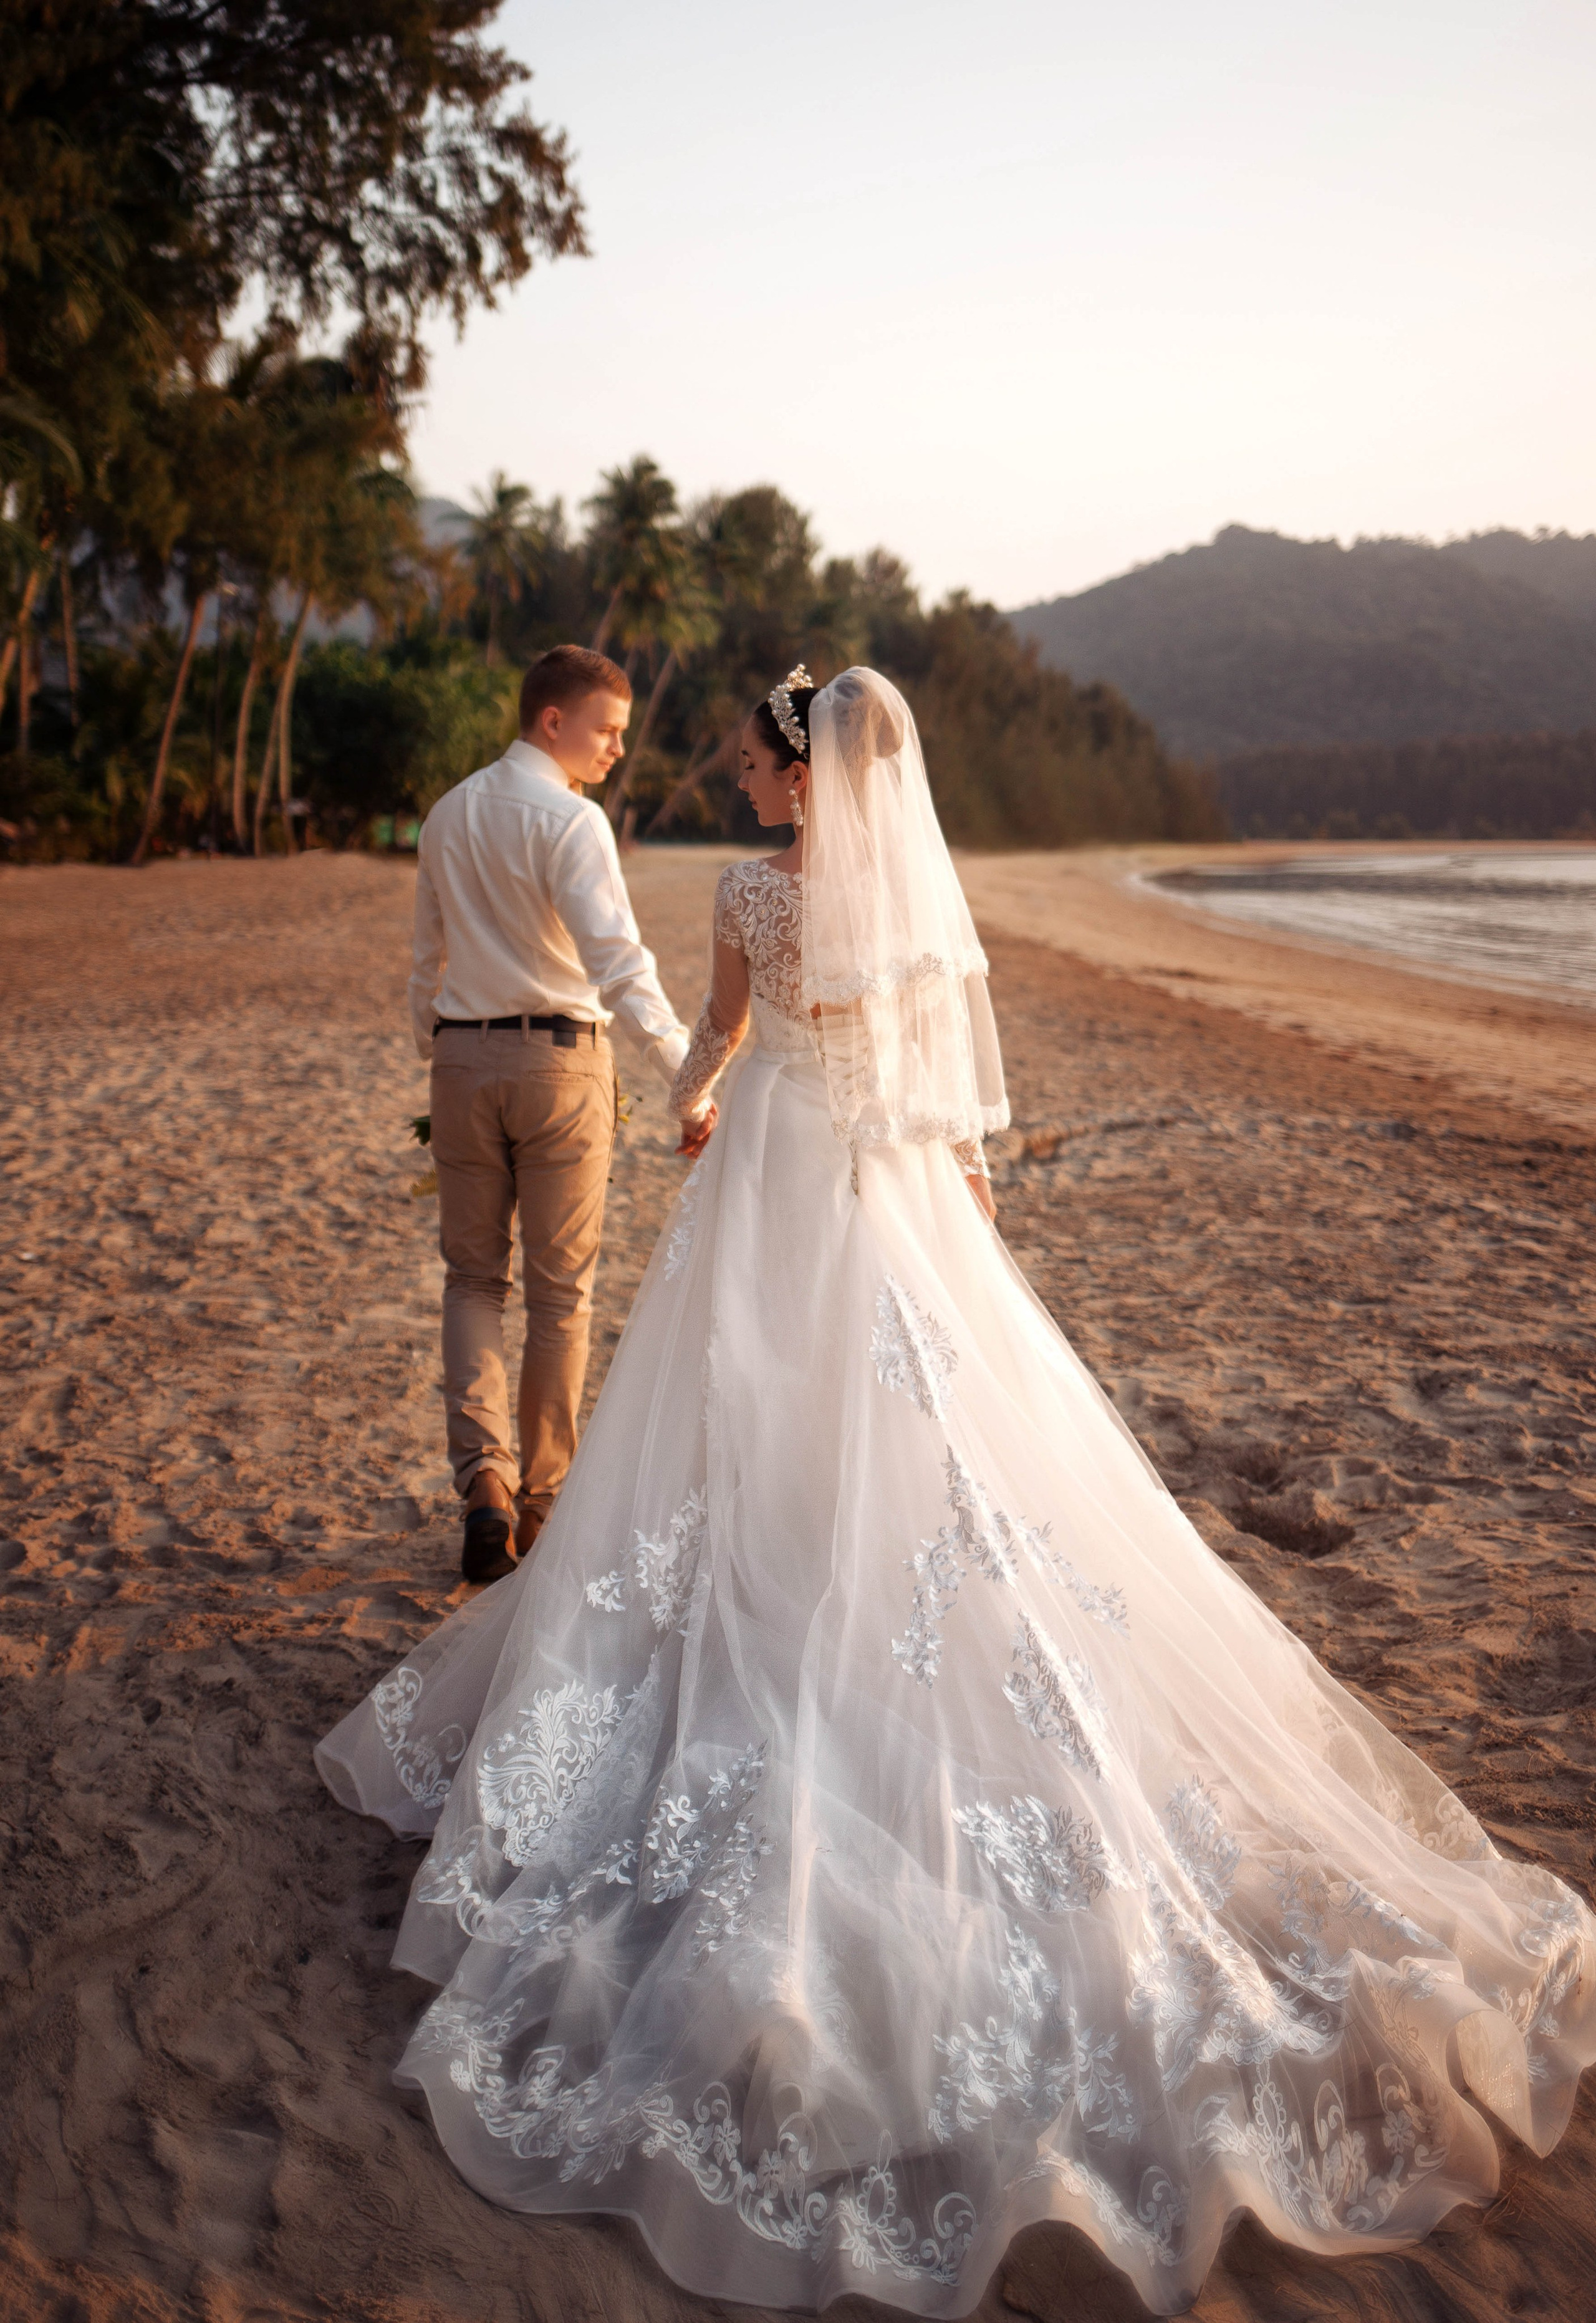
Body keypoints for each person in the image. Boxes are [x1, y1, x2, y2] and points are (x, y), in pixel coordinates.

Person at [322, 666, 1595, 2317]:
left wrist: (695, 1099)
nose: (740, 775)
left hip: (778, 1162)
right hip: (890, 1176)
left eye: (753, 758)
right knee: (906, 1425)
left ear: (799, 772)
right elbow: (933, 1065)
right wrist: (961, 1190)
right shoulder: (904, 898)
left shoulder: (754, 892)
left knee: (748, 1401)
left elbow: (721, 1032)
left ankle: (763, 1590)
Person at [408, 643, 711, 1584]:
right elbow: (620, 965)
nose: (617, 748)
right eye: (606, 729)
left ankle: (484, 1489)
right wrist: (688, 1078)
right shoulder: (573, 822)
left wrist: (443, 1046)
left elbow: (426, 959)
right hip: (559, 1063)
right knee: (559, 1293)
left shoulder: (447, 812)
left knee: (471, 1280)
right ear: (553, 721)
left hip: (462, 1061)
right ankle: (542, 1504)